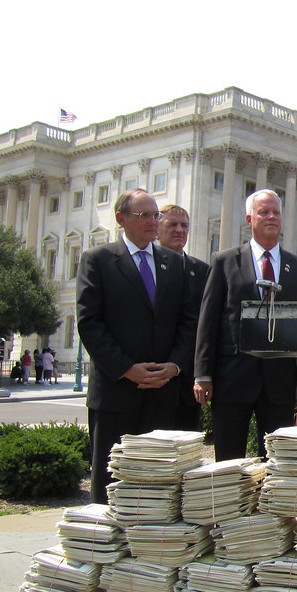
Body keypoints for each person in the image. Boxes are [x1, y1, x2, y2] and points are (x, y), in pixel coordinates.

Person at [77, 189, 198, 502]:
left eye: (155, 215)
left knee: (159, 490)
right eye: (143, 215)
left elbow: (188, 322)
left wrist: (175, 365)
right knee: (110, 488)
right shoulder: (98, 260)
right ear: (121, 219)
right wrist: (126, 369)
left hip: (162, 393)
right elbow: (90, 324)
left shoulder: (173, 264)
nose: (152, 222)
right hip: (117, 395)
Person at [194, 190, 297, 459]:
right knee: (228, 459)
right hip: (232, 377)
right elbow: (208, 319)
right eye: (263, 212)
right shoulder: (225, 261)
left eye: (276, 212)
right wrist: (202, 373)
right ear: (249, 218)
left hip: (279, 380)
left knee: (276, 460)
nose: (271, 217)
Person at [158, 204, 210, 432]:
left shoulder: (203, 271)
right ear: (157, 230)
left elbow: (203, 325)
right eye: (172, 224)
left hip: (188, 381)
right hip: (152, 378)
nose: (179, 230)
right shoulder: (145, 268)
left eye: (184, 225)